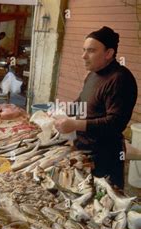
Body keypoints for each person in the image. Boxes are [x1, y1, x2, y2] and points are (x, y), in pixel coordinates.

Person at [55, 26, 138, 189]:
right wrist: (59, 112)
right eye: (83, 50)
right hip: (83, 153)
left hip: (105, 157)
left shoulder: (120, 79)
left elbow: (115, 123)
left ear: (109, 53)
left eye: (91, 51)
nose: (83, 56)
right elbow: (82, 102)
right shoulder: (93, 74)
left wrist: (75, 124)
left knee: (101, 204)